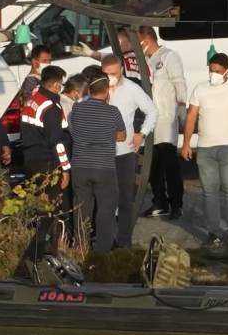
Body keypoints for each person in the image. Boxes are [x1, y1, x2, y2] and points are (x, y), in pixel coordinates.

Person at [181, 53, 228, 249]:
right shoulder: (200, 89)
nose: (214, 74)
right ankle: (213, 232)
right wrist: (187, 143)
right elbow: (191, 118)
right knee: (209, 192)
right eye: (211, 70)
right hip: (205, 148)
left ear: (227, 71)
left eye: (218, 71)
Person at [19, 65, 73, 262]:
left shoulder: (32, 100)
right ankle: (44, 253)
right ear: (57, 84)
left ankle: (37, 252)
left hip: (31, 160)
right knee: (51, 209)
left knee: (40, 207)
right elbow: (56, 141)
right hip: (48, 163)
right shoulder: (50, 107)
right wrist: (65, 169)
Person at [104, 54, 158, 248]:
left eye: (114, 73)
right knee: (106, 200)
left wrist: (141, 133)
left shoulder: (131, 89)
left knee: (126, 200)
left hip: (125, 152)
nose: (110, 77)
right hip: (102, 154)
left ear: (121, 71)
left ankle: (124, 241)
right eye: (107, 74)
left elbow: (152, 111)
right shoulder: (98, 88)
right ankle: (106, 240)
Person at [69, 76, 127, 253]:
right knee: (106, 209)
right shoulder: (113, 111)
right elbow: (122, 136)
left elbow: (73, 131)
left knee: (81, 208)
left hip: (79, 166)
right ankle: (102, 250)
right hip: (104, 167)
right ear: (107, 91)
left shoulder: (76, 109)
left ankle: (81, 247)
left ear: (88, 91)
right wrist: (107, 135)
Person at [138, 25, 187, 219]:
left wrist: (182, 108)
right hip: (150, 119)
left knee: (169, 164)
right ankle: (159, 202)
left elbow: (179, 83)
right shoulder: (145, 60)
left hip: (166, 118)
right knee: (152, 165)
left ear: (146, 40)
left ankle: (176, 204)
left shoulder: (169, 56)